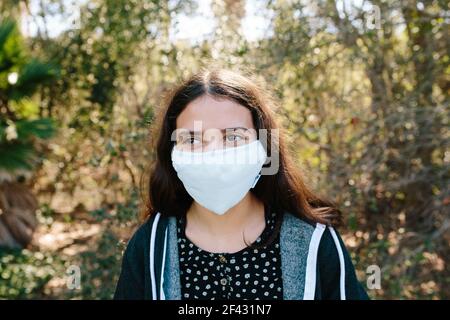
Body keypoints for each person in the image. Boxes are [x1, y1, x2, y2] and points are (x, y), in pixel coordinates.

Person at [114, 67, 369, 300]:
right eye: (192, 139)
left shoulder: (315, 241)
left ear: (264, 147)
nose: (213, 155)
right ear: (172, 153)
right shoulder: (150, 246)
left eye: (234, 136)